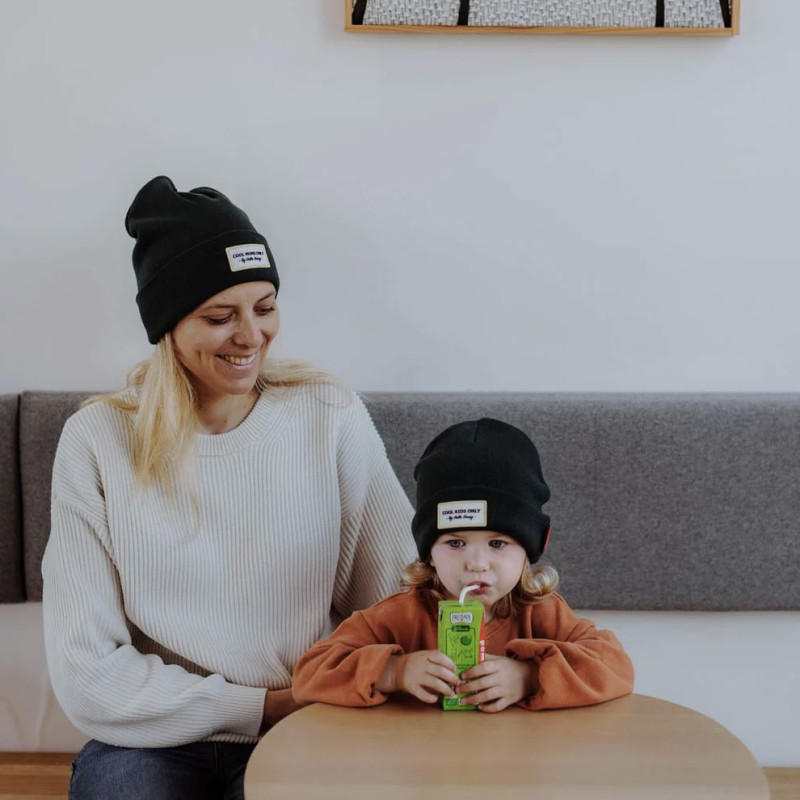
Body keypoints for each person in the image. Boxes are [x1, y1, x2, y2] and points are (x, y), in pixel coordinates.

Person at [41, 176, 416, 799]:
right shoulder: (97, 440)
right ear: (169, 327)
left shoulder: (328, 414)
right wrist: (261, 706)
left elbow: (399, 601)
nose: (251, 336)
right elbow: (87, 672)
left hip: (311, 720)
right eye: (221, 316)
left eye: (264, 307)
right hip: (153, 734)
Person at [293, 418, 634, 712]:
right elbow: (309, 674)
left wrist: (529, 677)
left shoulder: (541, 614)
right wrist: (394, 672)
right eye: (455, 543)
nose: (476, 563)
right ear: (428, 552)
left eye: (498, 543)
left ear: (530, 549)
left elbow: (616, 667)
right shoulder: (398, 616)